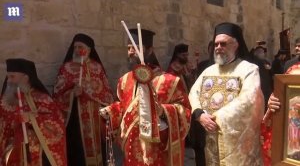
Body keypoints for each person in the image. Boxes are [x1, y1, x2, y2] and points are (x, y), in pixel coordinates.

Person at [100, 29, 191, 166]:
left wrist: (164, 111)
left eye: (136, 48)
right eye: (129, 48)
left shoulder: (169, 81)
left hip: (157, 147)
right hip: (131, 144)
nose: (131, 52)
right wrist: (110, 111)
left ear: (149, 50)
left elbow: (185, 111)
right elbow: (125, 106)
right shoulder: (124, 80)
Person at [189, 22, 264, 165]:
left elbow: (249, 100)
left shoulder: (248, 70)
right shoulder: (208, 71)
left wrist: (215, 117)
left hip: (236, 145)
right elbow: (194, 93)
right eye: (216, 44)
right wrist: (199, 114)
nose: (218, 48)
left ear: (236, 45)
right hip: (208, 138)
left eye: (223, 44)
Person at [53, 33, 114, 166]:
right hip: (75, 118)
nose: (77, 50)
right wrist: (71, 94)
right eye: (75, 47)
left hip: (96, 117)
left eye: (80, 47)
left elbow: (107, 92)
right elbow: (57, 94)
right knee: (77, 152)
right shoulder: (67, 68)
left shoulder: (97, 68)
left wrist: (93, 95)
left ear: (89, 49)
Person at [0, 58, 67, 166]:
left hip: (36, 152)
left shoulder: (43, 98)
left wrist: (31, 118)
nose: (9, 81)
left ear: (25, 78)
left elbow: (57, 122)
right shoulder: (5, 100)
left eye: (12, 77)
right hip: (11, 152)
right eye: (8, 77)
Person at [262, 37, 300, 165]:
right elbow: (283, 91)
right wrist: (273, 100)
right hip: (294, 123)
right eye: (296, 45)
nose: (297, 48)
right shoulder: (290, 65)